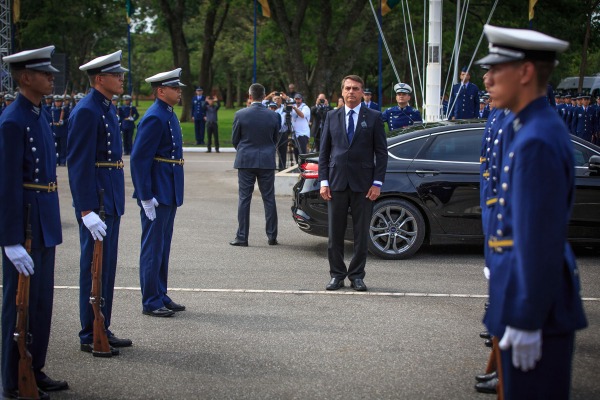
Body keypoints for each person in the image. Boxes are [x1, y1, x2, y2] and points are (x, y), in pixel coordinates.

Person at [476, 24, 587, 398]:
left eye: (496, 69)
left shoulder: (536, 139)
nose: (487, 79)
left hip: (534, 307)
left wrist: (526, 317)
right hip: (522, 295)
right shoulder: (530, 128)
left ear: (525, 72)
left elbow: (539, 239)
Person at [1, 45, 69, 399]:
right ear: (25, 78)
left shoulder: (39, 114)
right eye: (45, 74)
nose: (51, 78)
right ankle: (12, 380)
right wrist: (9, 239)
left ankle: (34, 367)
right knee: (18, 304)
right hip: (24, 225)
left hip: (43, 220)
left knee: (41, 302)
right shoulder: (13, 120)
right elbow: (6, 182)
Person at [67, 50, 132, 356]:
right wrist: (85, 209)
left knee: (105, 269)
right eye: (116, 74)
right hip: (97, 202)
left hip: (111, 198)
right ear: (100, 79)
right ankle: (88, 331)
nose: (121, 78)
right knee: (92, 267)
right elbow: (78, 163)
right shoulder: (87, 110)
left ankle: (101, 327)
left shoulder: (105, 108)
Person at [318, 74, 388, 292]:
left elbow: (381, 153)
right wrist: (323, 181)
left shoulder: (374, 117)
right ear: (342, 91)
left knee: (361, 234)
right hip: (336, 183)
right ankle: (336, 275)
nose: (351, 92)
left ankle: (357, 275)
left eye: (355, 88)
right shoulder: (331, 116)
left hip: (364, 185)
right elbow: (324, 152)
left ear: (362, 92)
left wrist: (377, 183)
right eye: (347, 88)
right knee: (335, 234)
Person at [130, 68, 187, 318]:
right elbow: (139, 159)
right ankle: (151, 300)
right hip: (157, 190)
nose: (179, 91)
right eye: (175, 88)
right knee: (153, 246)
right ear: (161, 91)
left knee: (163, 245)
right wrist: (145, 195)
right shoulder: (155, 116)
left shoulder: (167, 113)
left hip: (169, 187)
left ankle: (160, 293)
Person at [230, 83, 280, 247]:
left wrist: (244, 149)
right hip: (266, 159)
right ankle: (272, 235)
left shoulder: (241, 114)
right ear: (264, 95)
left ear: (250, 96)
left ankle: (242, 237)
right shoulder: (273, 115)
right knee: (269, 198)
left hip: (246, 159)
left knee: (244, 199)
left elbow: (235, 139)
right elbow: (275, 139)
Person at [50, 94, 68, 166]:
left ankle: (62, 161)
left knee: (63, 147)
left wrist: (63, 121)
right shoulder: (52, 110)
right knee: (56, 147)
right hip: (55, 130)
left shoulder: (64, 110)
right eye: (56, 101)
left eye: (59, 101)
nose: (57, 103)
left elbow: (69, 118)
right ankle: (56, 161)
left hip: (63, 131)